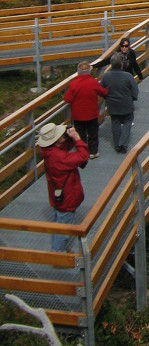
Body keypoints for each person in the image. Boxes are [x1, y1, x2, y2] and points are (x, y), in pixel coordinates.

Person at [36, 122, 89, 253]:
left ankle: (58, 250)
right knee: (64, 228)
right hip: (67, 197)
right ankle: (59, 255)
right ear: (56, 140)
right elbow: (83, 156)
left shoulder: (49, 152)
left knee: (59, 222)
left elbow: (63, 148)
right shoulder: (59, 157)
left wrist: (69, 138)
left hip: (58, 195)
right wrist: (77, 138)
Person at [63, 61, 108, 159]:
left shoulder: (73, 84)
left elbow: (67, 99)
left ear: (78, 72)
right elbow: (103, 92)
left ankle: (83, 153)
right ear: (89, 71)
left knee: (80, 134)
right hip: (92, 114)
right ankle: (93, 152)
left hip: (78, 115)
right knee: (93, 133)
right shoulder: (93, 82)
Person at [100, 52, 139, 153]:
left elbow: (101, 90)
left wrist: (107, 98)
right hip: (126, 104)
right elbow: (135, 90)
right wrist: (133, 98)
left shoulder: (105, 77)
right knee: (128, 121)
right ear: (122, 64)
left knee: (115, 123)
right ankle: (123, 144)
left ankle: (117, 145)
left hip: (112, 105)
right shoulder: (128, 76)